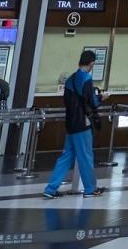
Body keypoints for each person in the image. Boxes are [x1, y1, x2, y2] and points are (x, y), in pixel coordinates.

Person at [43, 49, 106, 198]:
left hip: (70, 123)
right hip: (82, 123)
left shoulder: (70, 79)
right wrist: (102, 98)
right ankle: (90, 189)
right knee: (85, 157)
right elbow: (91, 102)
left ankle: (50, 189)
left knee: (66, 157)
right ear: (91, 63)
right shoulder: (86, 79)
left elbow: (67, 101)